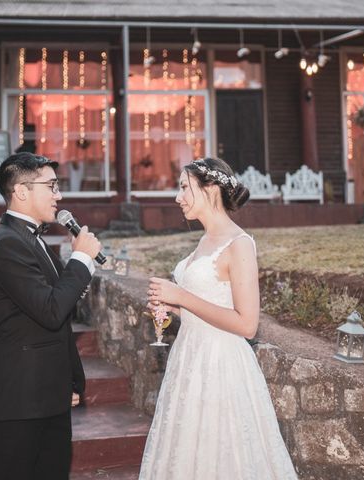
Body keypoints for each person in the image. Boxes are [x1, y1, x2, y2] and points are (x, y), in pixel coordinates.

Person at [140, 157, 297, 479]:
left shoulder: (239, 244)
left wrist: (181, 296)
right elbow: (204, 310)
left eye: (184, 187)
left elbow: (246, 323)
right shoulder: (201, 242)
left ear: (210, 189)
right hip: (188, 360)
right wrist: (173, 309)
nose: (177, 197)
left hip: (221, 364)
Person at [0, 152, 102, 480]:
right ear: (21, 191)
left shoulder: (33, 241)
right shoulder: (6, 245)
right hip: (17, 403)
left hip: (48, 395)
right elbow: (51, 310)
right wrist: (82, 259)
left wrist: (67, 383)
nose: (59, 195)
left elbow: (59, 315)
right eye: (51, 186)